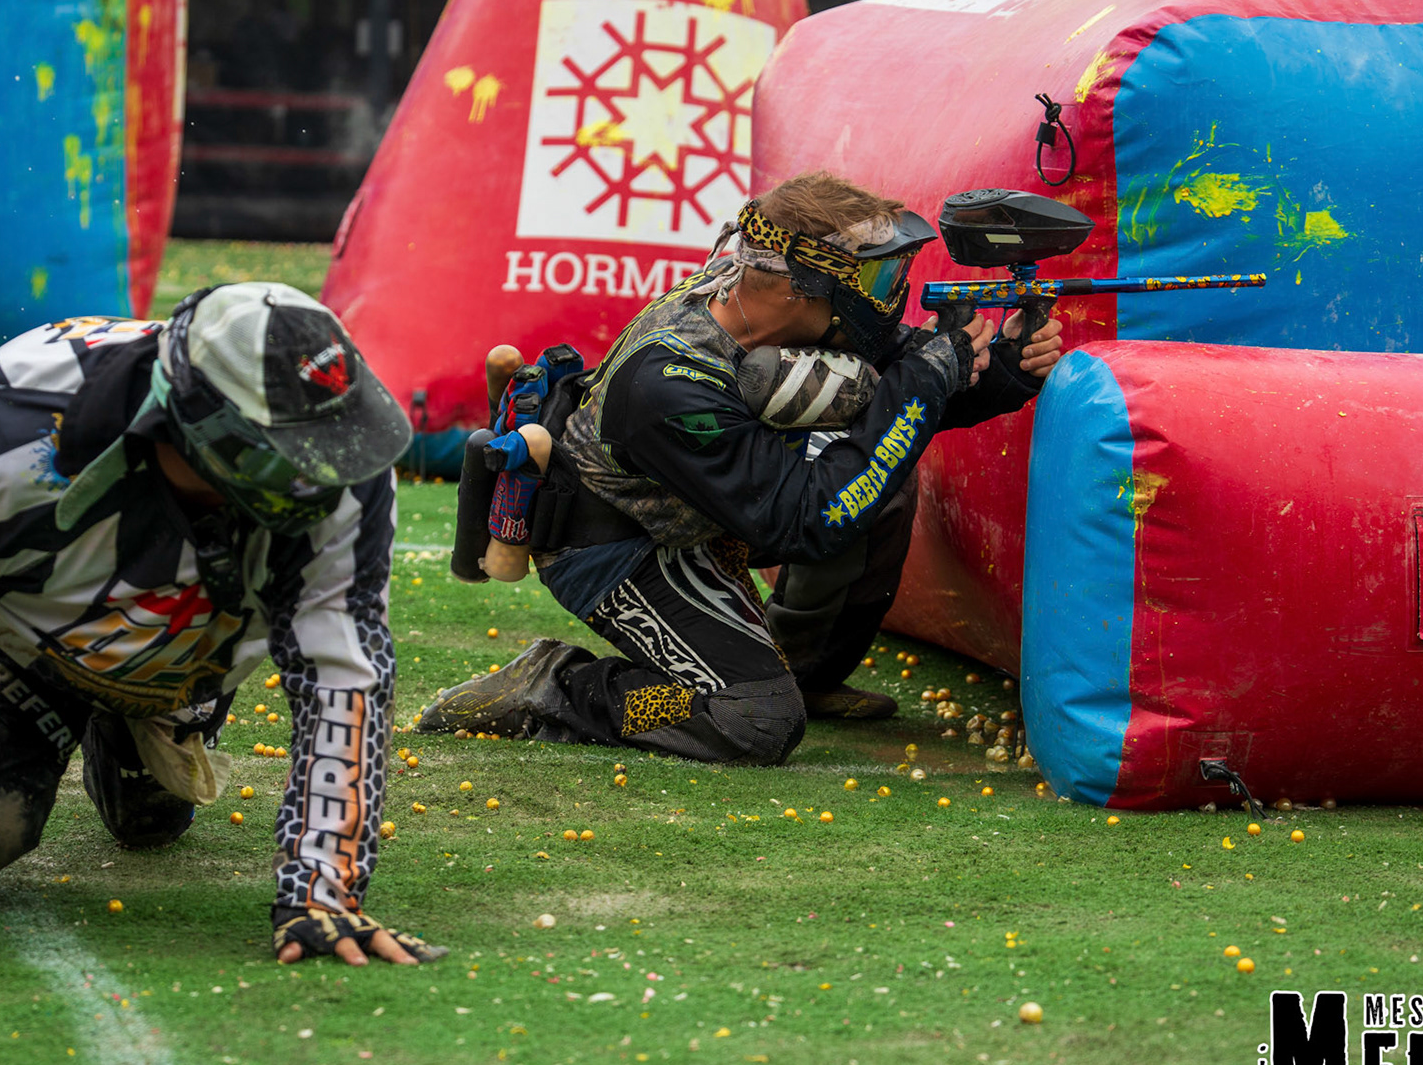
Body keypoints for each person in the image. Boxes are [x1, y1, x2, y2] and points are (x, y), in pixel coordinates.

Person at [0, 283, 442, 967]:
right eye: (288, 458)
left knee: (150, 826)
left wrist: (322, 894)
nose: (325, 476)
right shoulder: (7, 429)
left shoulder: (341, 458)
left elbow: (344, 678)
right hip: (14, 632)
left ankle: (121, 723)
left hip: (189, 653)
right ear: (200, 428)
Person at [417, 171, 1064, 763]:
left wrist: (1002, 370)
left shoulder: (770, 310)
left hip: (703, 510)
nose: (886, 299)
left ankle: (801, 672)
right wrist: (922, 383)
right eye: (873, 281)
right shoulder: (669, 381)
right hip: (615, 542)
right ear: (798, 285)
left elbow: (885, 388)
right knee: (755, 719)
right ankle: (561, 687)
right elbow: (809, 519)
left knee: (880, 483)